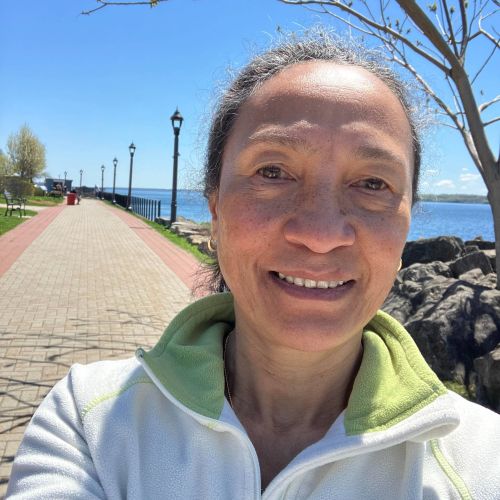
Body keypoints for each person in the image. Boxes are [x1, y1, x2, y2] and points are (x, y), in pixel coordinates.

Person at [7, 31, 500, 499]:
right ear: (215, 209)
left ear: (406, 226)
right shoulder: (90, 421)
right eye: (273, 171)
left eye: (373, 184)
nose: (321, 234)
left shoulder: (482, 462)